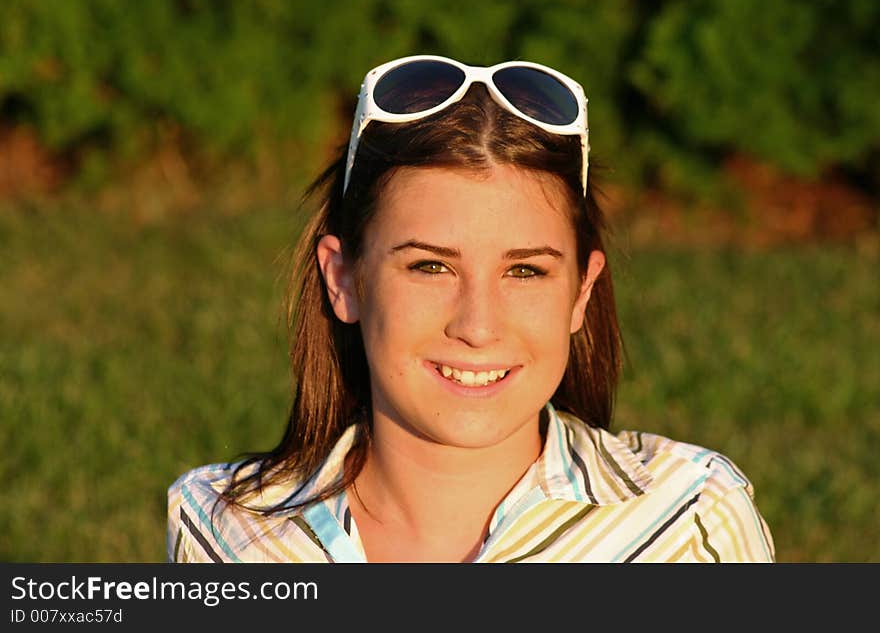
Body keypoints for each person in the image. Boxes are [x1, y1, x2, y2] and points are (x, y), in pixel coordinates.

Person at [167, 55, 775, 563]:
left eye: (525, 271)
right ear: (344, 279)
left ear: (581, 292)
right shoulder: (220, 529)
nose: (477, 326)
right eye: (430, 266)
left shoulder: (690, 521)